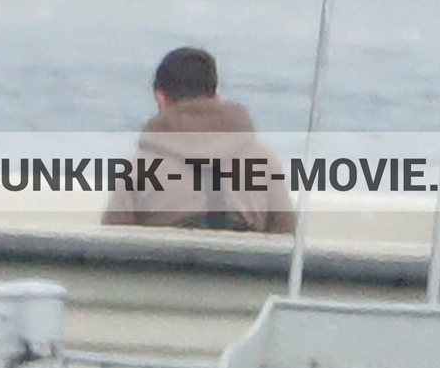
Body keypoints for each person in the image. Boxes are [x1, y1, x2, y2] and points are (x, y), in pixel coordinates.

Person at [102, 47, 295, 233]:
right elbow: (286, 235)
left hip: (168, 264)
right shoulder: (263, 160)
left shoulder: (140, 167)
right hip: (243, 263)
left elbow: (113, 241)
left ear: (161, 99)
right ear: (217, 97)